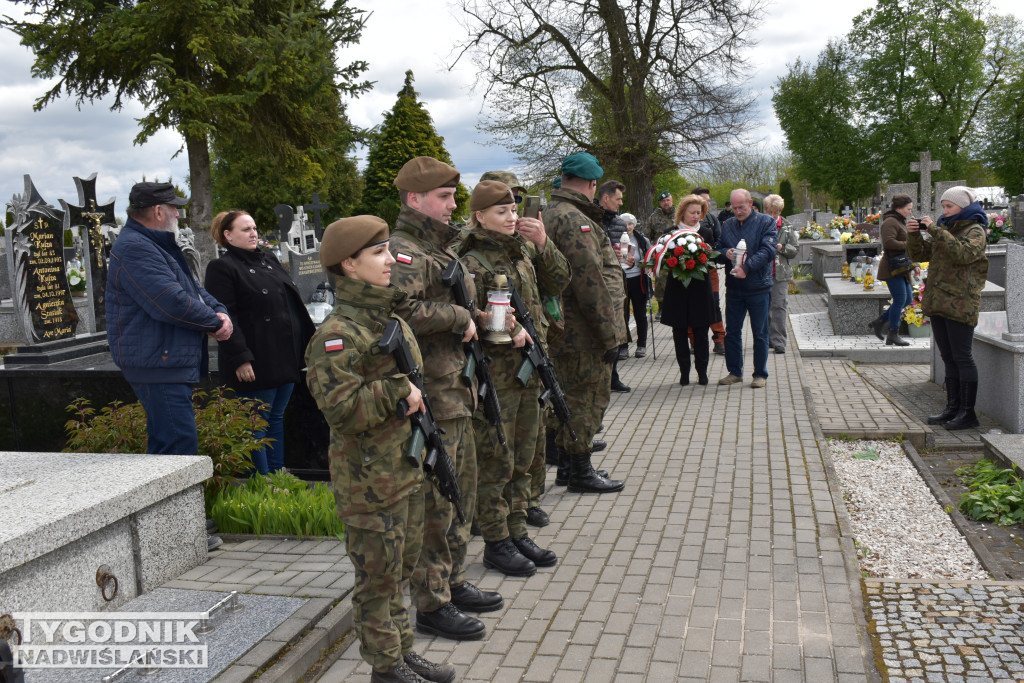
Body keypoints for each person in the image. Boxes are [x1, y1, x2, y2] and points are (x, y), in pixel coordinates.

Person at [305, 216, 454, 683]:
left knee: (401, 572)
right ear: (349, 264)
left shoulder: (386, 318)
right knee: (377, 581)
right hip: (370, 483)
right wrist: (395, 390)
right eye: (378, 254)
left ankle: (402, 655)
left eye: (389, 251)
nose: (391, 261)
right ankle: (386, 670)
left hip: (403, 469)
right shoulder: (337, 336)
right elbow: (341, 411)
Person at [388, 156, 499, 641]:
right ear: (415, 200)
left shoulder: (438, 247)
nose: (454, 204)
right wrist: (458, 317)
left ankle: (452, 582)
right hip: (432, 390)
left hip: (457, 387)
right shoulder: (404, 250)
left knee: (460, 493)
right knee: (437, 502)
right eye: (444, 197)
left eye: (454, 196)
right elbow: (400, 313)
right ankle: (432, 602)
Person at [458, 180, 569, 577]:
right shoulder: (471, 262)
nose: (511, 217)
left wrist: (543, 244)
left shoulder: (520, 250)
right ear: (479, 216)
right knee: (497, 460)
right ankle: (496, 540)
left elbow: (558, 282)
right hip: (497, 376)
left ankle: (517, 528)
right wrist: (499, 326)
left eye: (513, 210)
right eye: (501, 211)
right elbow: (465, 316)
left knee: (525, 456)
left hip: (528, 371)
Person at [106, 181, 233, 455]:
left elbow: (192, 289)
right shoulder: (136, 248)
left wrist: (219, 310)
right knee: (176, 449)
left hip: (164, 359)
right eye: (174, 208)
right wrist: (214, 323)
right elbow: (170, 302)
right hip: (158, 363)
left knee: (176, 444)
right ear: (158, 212)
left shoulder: (154, 244)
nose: (178, 214)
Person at [203, 210, 315, 474]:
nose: (253, 233)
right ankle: (261, 485)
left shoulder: (267, 259)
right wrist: (240, 357)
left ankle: (278, 477)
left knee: (275, 419)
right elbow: (225, 316)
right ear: (228, 235)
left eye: (254, 228)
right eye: (245, 229)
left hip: (284, 355)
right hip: (256, 359)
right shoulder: (222, 268)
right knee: (256, 424)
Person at [545, 152, 627, 494]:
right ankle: (579, 471)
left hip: (570, 329)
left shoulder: (554, 212)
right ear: (593, 184)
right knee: (586, 399)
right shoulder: (573, 218)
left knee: (570, 397)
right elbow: (588, 281)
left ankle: (568, 467)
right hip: (583, 331)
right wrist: (610, 335)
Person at [907, 186, 989, 430]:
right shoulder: (946, 228)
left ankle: (968, 413)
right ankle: (952, 408)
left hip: (961, 302)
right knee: (948, 357)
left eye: (948, 206)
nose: (944, 211)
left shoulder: (975, 230)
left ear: (963, 207)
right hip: (940, 301)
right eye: (943, 206)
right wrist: (913, 235)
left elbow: (962, 254)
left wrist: (934, 228)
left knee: (963, 357)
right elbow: (922, 253)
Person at [715, 189, 777, 388]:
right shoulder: (727, 225)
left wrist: (747, 268)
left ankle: (760, 374)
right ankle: (735, 372)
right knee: (732, 332)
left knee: (760, 333)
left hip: (758, 287)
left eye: (741, 207)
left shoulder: (766, 222)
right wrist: (726, 253)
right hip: (734, 288)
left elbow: (768, 250)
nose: (738, 211)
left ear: (750, 203)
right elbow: (718, 248)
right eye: (734, 208)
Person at [656, 195, 716, 385]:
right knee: (679, 332)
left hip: (700, 289)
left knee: (701, 333)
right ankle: (684, 372)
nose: (696, 216)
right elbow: (662, 259)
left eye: (699, 212)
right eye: (692, 212)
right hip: (677, 289)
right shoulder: (670, 233)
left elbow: (712, 260)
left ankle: (702, 372)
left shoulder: (706, 233)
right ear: (682, 212)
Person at [595, 180, 631, 392]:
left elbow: (627, 254)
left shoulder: (620, 224)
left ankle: (613, 376)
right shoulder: (590, 219)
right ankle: (599, 378)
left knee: (618, 331)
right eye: (618, 199)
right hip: (595, 283)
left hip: (616, 283)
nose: (620, 203)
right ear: (606, 198)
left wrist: (628, 258)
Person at [870, 194, 915, 347]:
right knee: (900, 300)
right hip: (892, 267)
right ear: (899, 208)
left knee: (908, 299)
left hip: (901, 266)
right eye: (908, 209)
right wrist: (908, 244)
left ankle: (879, 321)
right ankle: (893, 334)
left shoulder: (899, 221)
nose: (910, 212)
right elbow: (889, 243)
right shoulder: (890, 222)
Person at [692, 187, 726, 354]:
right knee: (692, 305)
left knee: (713, 304)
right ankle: (693, 341)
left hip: (710, 269)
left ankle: (720, 340)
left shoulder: (712, 220)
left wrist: (712, 252)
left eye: (708, 200)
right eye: (703, 199)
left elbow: (720, 242)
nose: (707, 202)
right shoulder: (683, 222)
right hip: (690, 272)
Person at [764, 194, 799, 354]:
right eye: (770, 212)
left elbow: (795, 250)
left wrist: (781, 247)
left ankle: (779, 342)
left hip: (781, 273)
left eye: (776, 212)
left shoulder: (787, 226)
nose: (772, 216)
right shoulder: (759, 224)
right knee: (764, 307)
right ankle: (768, 338)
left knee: (779, 306)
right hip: (762, 272)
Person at [618, 213, 652, 358]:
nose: (628, 226)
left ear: (634, 224)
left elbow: (650, 257)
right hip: (621, 281)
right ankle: (623, 347)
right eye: (624, 223)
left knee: (640, 314)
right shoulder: (616, 239)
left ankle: (641, 345)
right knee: (622, 314)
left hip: (638, 280)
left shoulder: (642, 240)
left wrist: (648, 266)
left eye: (630, 223)